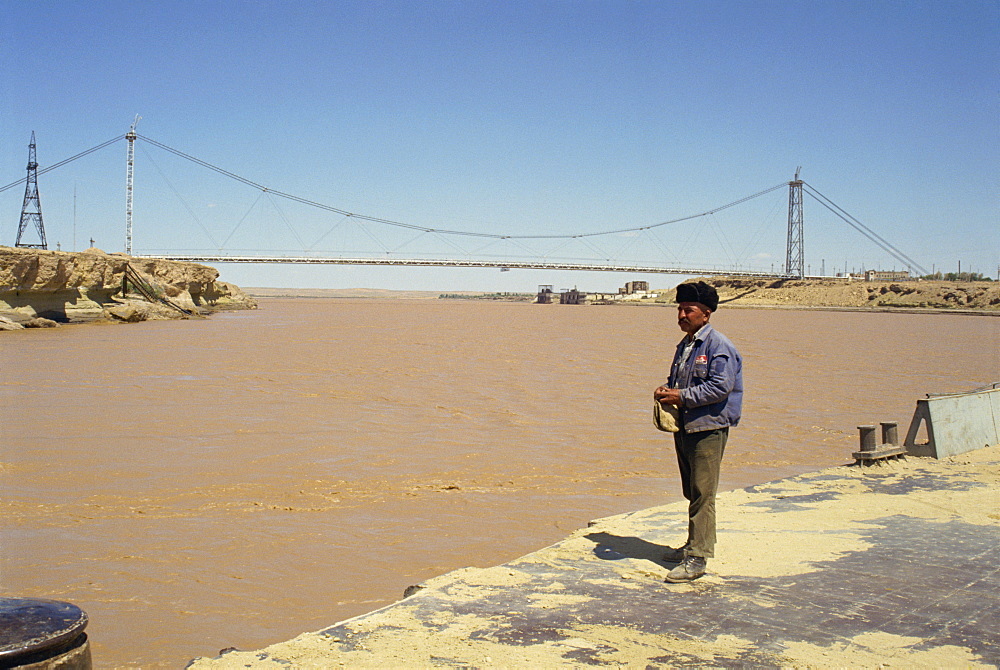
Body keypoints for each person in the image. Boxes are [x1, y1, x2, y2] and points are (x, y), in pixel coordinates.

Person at [654, 281, 743, 583]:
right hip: (686, 427)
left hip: (708, 428)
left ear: (705, 314)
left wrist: (681, 397)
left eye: (688, 310)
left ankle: (698, 558)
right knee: (690, 491)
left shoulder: (719, 346)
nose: (681, 315)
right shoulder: (687, 344)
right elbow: (679, 379)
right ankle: (693, 544)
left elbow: (720, 387)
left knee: (704, 494)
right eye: (679, 309)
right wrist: (667, 391)